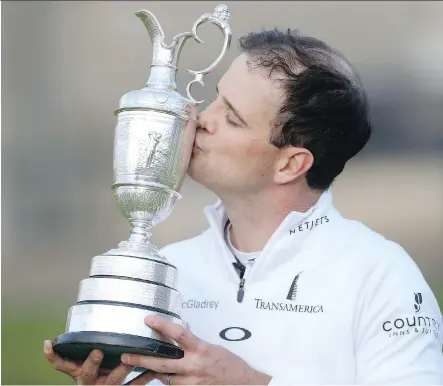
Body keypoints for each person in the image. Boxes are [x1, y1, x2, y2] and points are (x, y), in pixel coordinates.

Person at [44, 28, 443, 385]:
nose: (200, 118)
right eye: (216, 99)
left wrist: (249, 383)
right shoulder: (167, 269)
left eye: (232, 118)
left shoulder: (381, 276)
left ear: (290, 164)